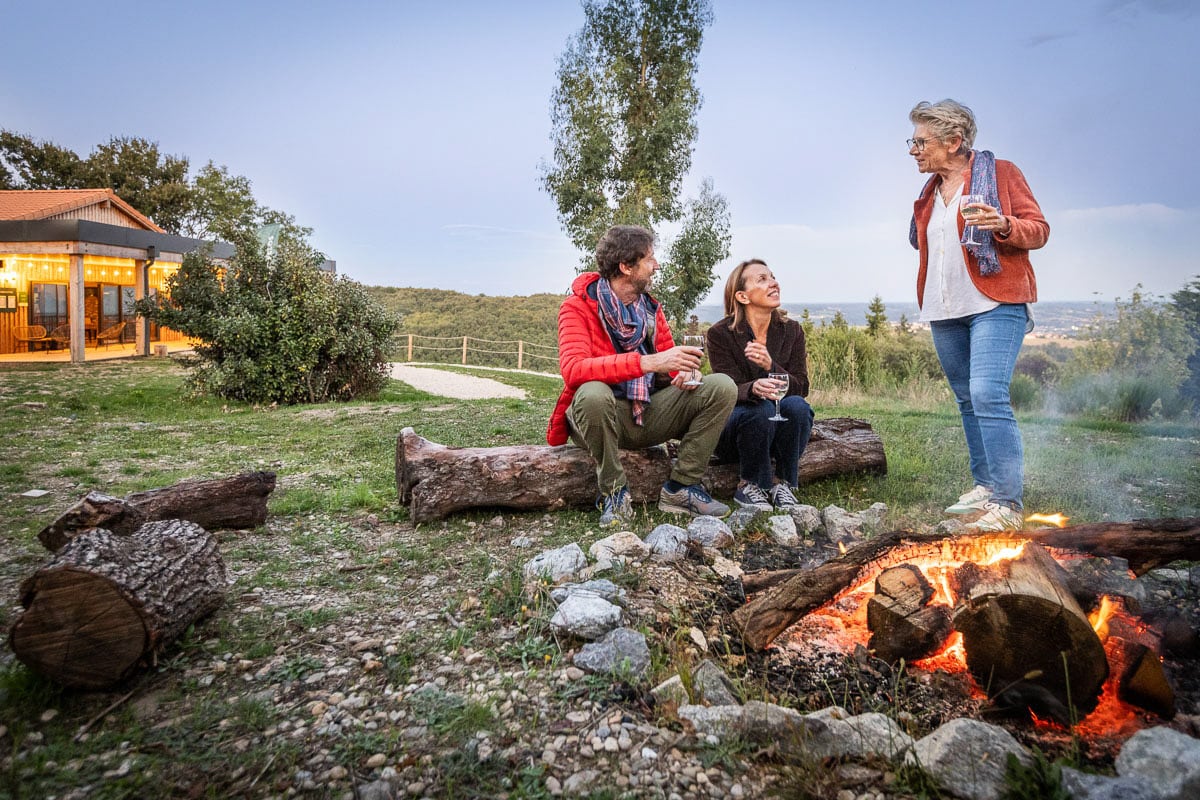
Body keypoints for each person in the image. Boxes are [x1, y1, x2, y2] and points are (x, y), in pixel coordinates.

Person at [907, 99, 1049, 531]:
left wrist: (1004, 224)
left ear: (953, 141)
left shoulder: (1001, 173)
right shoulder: (930, 191)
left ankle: (1007, 502)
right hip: (944, 307)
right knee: (968, 398)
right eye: (912, 141)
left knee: (988, 393)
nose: (913, 149)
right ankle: (986, 487)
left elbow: (1039, 229)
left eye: (920, 141)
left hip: (996, 303)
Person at [547, 224, 737, 527]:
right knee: (593, 393)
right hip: (599, 418)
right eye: (649, 259)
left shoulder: (650, 309)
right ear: (625, 266)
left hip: (647, 412)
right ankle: (614, 493)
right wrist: (649, 363)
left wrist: (681, 373)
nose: (656, 265)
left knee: (721, 386)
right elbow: (574, 370)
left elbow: (667, 364)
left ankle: (681, 488)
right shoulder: (577, 307)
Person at [706, 259, 814, 509]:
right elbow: (726, 387)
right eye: (762, 279)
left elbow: (801, 385)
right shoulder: (720, 334)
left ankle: (784, 483)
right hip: (737, 427)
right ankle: (750, 485)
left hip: (779, 426)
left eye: (772, 277)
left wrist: (770, 367)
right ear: (742, 296)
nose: (773, 283)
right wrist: (752, 387)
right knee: (761, 409)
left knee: (798, 406)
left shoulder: (792, 331)